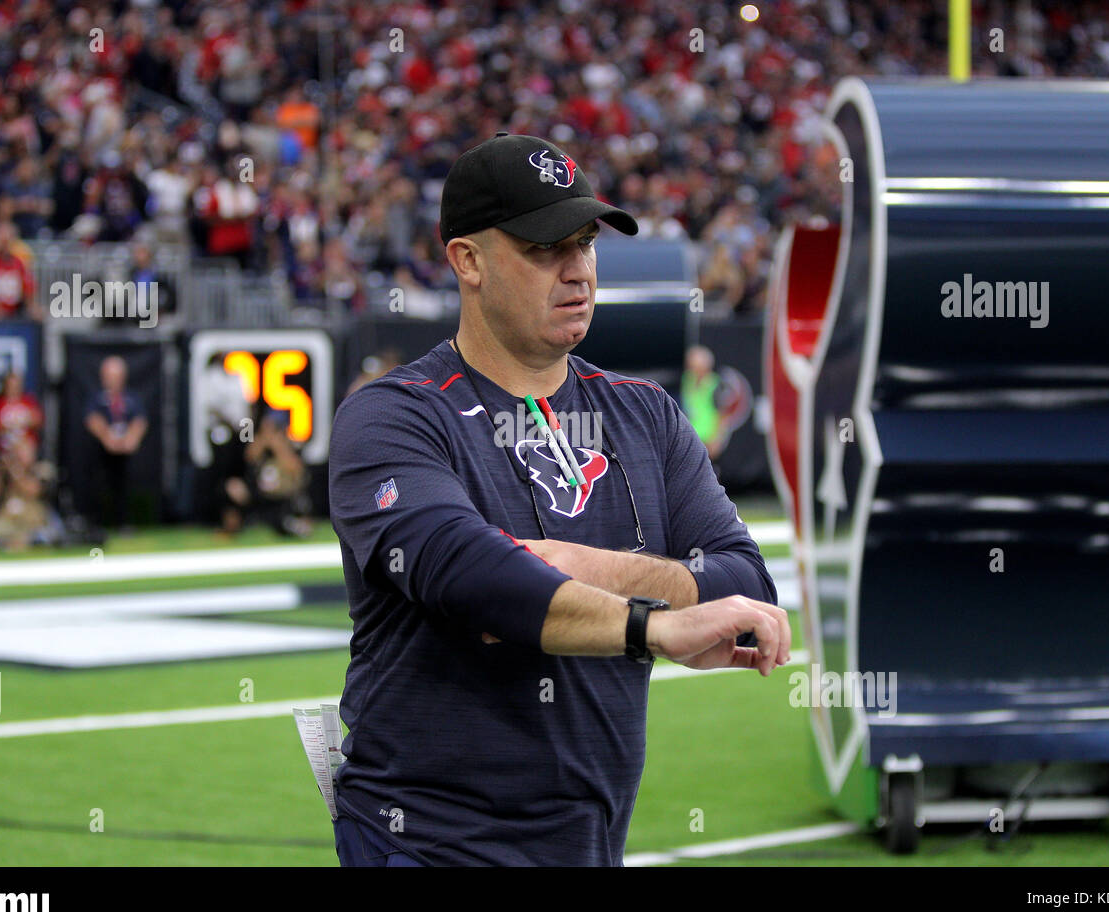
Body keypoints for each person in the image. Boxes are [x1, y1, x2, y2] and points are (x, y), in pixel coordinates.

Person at [327, 133, 790, 867]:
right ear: (467, 261)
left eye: (585, 243)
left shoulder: (646, 414)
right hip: (429, 846)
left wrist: (582, 565)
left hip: (590, 842)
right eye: (545, 247)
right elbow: (469, 575)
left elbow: (746, 586)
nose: (577, 270)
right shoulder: (393, 415)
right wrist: (659, 626)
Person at [83, 355, 147, 531]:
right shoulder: (97, 398)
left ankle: (123, 522)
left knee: (124, 485)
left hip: (125, 451)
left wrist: (131, 438)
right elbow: (92, 419)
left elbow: (139, 420)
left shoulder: (131, 398)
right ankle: (96, 523)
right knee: (99, 485)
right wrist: (107, 437)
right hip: (102, 451)